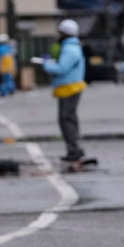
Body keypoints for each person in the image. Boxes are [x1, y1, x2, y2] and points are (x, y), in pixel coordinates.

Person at [42, 19, 88, 162]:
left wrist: (47, 65)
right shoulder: (73, 47)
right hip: (70, 86)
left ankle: (74, 149)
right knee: (69, 118)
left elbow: (62, 68)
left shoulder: (70, 49)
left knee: (66, 119)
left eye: (61, 32)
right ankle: (73, 148)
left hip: (69, 87)